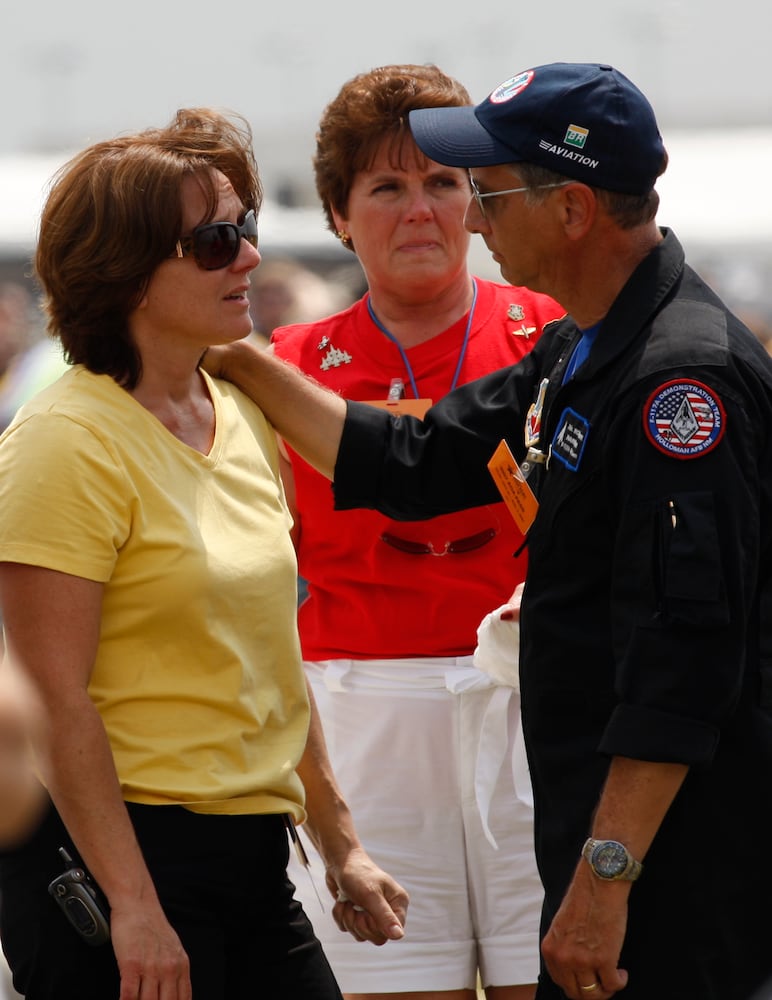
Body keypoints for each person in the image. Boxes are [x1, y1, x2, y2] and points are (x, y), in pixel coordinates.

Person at [202, 62, 772, 1000]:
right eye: (394, 187)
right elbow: (425, 458)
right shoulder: (587, 344)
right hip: (570, 806)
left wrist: (604, 878)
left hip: (670, 859)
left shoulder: (679, 385)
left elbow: (685, 667)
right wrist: (244, 363)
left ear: (575, 210)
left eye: (486, 192)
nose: (468, 218)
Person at [0, 107, 408, 1000]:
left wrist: (341, 846)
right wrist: (135, 908)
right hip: (120, 863)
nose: (251, 257)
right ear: (127, 271)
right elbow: (52, 704)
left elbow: (268, 652)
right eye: (217, 240)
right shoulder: (63, 442)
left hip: (253, 859)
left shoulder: (241, 417)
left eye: (247, 228)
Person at [271, 63, 565, 1000]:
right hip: (361, 721)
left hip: (535, 705)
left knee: (558, 980)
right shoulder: (279, 373)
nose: (419, 212)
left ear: (478, 200)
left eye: (442, 183)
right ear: (337, 214)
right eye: (385, 187)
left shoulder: (556, 335)